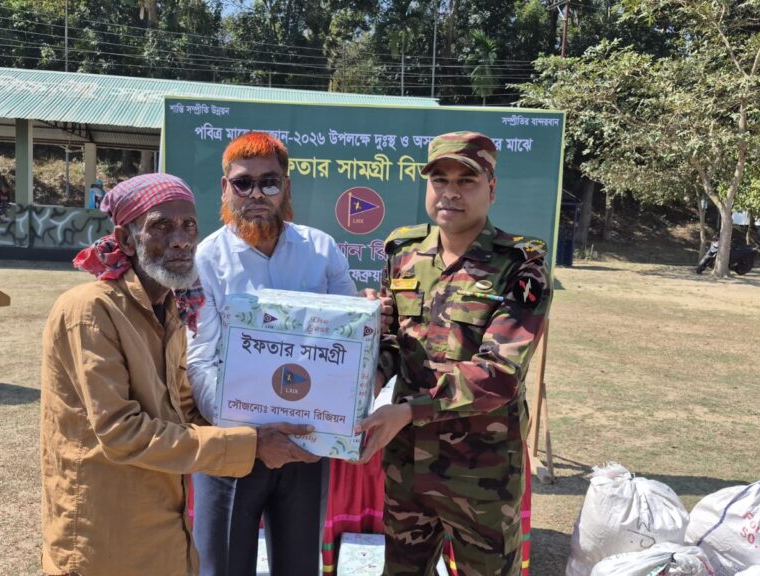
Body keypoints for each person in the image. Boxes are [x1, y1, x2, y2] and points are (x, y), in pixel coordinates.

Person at [40, 173, 317, 576]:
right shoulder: (90, 310)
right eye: (162, 226)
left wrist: (262, 422)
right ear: (127, 239)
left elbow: (181, 404)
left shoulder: (169, 309)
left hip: (162, 523)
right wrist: (251, 444)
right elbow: (122, 431)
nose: (182, 239)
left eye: (188, 225)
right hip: (104, 533)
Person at [355, 132, 552, 576]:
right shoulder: (402, 253)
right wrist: (364, 369)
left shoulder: (521, 264)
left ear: (491, 189)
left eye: (467, 181)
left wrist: (407, 411)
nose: (451, 191)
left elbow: (499, 374)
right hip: (407, 467)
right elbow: (392, 343)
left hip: (480, 474)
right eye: (439, 179)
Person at [188, 131, 381, 576]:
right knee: (223, 568)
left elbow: (352, 349)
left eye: (269, 182)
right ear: (225, 189)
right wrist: (254, 439)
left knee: (299, 567)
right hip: (232, 448)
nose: (256, 194)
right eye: (243, 183)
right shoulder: (206, 261)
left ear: (287, 188)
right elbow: (199, 360)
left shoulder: (321, 250)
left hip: (307, 449)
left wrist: (326, 431)